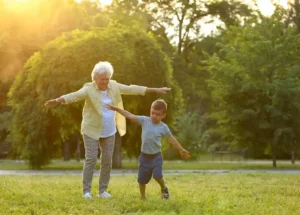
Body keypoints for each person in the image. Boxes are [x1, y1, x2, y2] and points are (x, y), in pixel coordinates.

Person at [44, 61, 171, 199]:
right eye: (102, 79)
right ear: (95, 78)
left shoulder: (114, 86)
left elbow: (131, 89)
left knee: (107, 161)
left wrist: (155, 90)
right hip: (92, 129)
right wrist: (57, 100)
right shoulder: (89, 89)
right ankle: (86, 191)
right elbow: (74, 95)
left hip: (109, 130)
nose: (105, 82)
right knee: (91, 158)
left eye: (107, 79)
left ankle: (102, 191)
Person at [107, 99, 190, 200]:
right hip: (144, 157)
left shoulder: (163, 127)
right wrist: (116, 109)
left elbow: (171, 139)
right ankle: (143, 197)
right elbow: (130, 115)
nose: (154, 116)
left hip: (156, 156)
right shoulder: (144, 120)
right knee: (141, 180)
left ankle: (164, 188)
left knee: (157, 175)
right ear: (150, 111)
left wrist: (181, 149)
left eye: (158, 114)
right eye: (152, 113)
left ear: (163, 115)